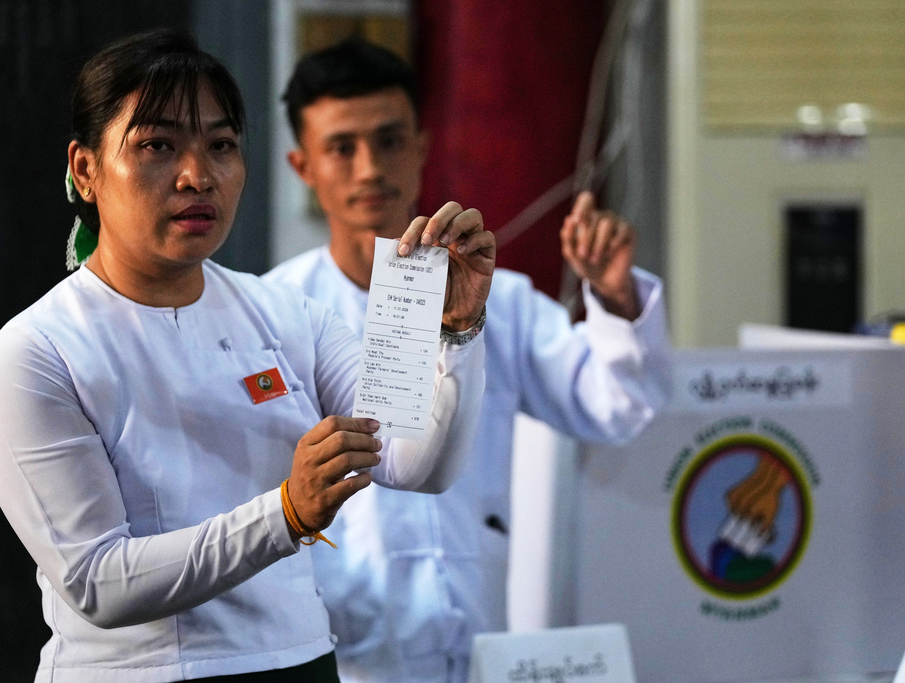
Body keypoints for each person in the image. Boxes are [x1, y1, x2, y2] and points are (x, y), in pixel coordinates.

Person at [0, 29, 495, 683]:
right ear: (85, 170)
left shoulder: (286, 313)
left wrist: (456, 330)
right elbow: (98, 582)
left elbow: (414, 462)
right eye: (157, 145)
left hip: (299, 661)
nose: (198, 176)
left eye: (221, 146)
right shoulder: (37, 350)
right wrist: (286, 513)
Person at [264, 37, 671, 683]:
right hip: (348, 651)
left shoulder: (495, 300)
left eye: (389, 140)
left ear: (421, 147)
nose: (370, 167)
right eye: (342, 147)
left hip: (480, 635)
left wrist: (616, 295)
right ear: (302, 164)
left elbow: (617, 407)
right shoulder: (275, 315)